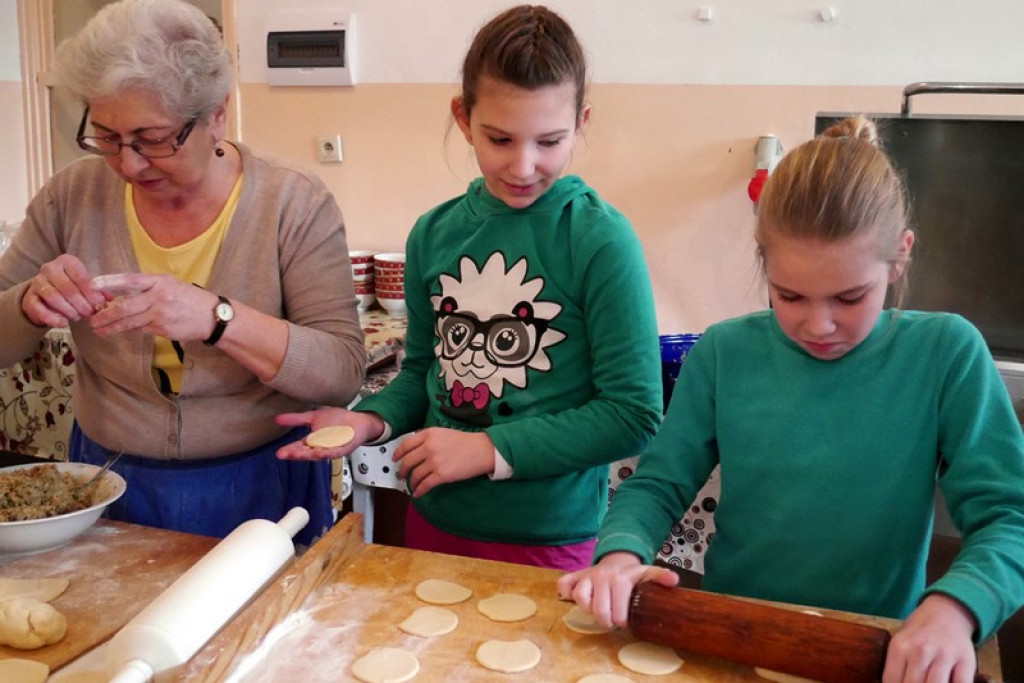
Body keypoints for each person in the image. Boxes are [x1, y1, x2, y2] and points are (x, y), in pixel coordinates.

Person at [558, 116, 1024, 682]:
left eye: (850, 297)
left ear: (899, 258)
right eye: (789, 295)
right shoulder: (726, 353)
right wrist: (621, 555)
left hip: (876, 651)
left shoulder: (945, 354)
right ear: (764, 262)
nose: (818, 324)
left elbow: (1011, 516)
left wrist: (955, 609)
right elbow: (660, 482)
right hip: (732, 640)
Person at [276, 5, 662, 571]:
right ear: (463, 118)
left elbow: (632, 414)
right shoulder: (435, 233)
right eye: (500, 139)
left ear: (581, 123)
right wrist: (371, 419)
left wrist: (488, 450)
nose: (524, 165)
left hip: (549, 535)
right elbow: (422, 374)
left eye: (550, 141)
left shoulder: (600, 239)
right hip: (435, 517)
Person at [0, 0, 366, 546]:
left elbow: (341, 371)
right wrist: (30, 302)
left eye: (153, 139)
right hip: (107, 479)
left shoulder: (291, 203)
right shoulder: (71, 197)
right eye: (106, 136)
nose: (128, 164)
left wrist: (218, 318)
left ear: (217, 113)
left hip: (257, 482)